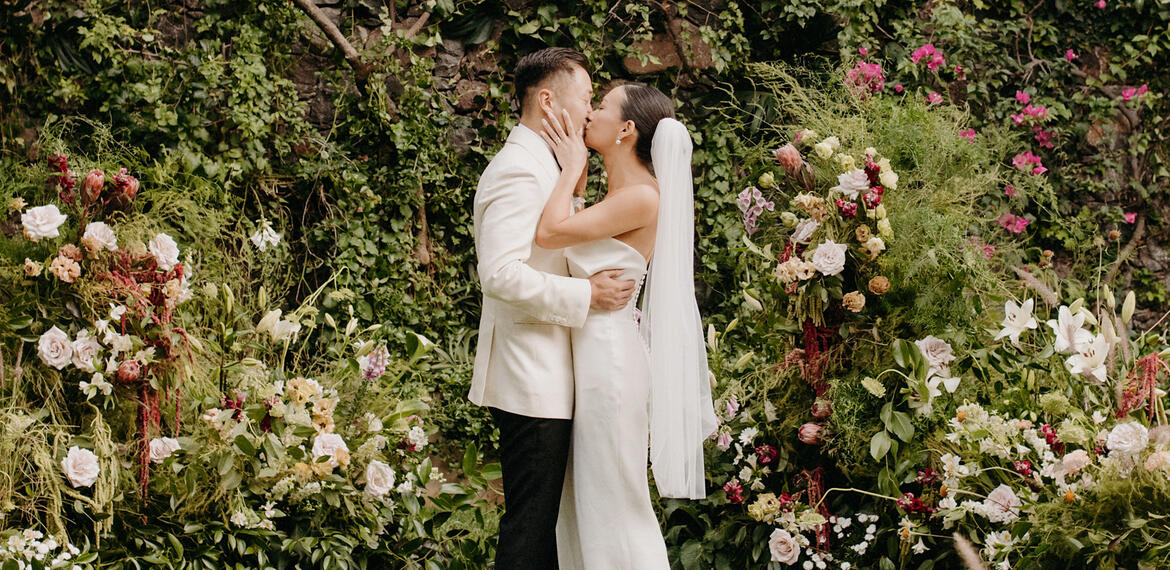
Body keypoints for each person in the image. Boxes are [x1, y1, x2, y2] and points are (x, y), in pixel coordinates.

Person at [534, 82, 718, 569]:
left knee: (616, 499)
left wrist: (572, 165)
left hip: (610, 364)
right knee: (587, 501)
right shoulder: (615, 193)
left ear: (627, 129)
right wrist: (578, 179)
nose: (590, 113)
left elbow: (550, 233)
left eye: (602, 107)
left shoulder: (641, 197)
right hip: (590, 355)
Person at [469, 47, 636, 569]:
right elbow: (500, 272)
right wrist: (589, 295)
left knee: (544, 532)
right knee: (530, 526)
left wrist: (576, 182)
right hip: (530, 374)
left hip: (552, 371)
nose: (590, 112)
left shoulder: (548, 164)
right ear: (547, 100)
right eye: (585, 98)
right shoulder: (519, 170)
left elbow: (557, 248)